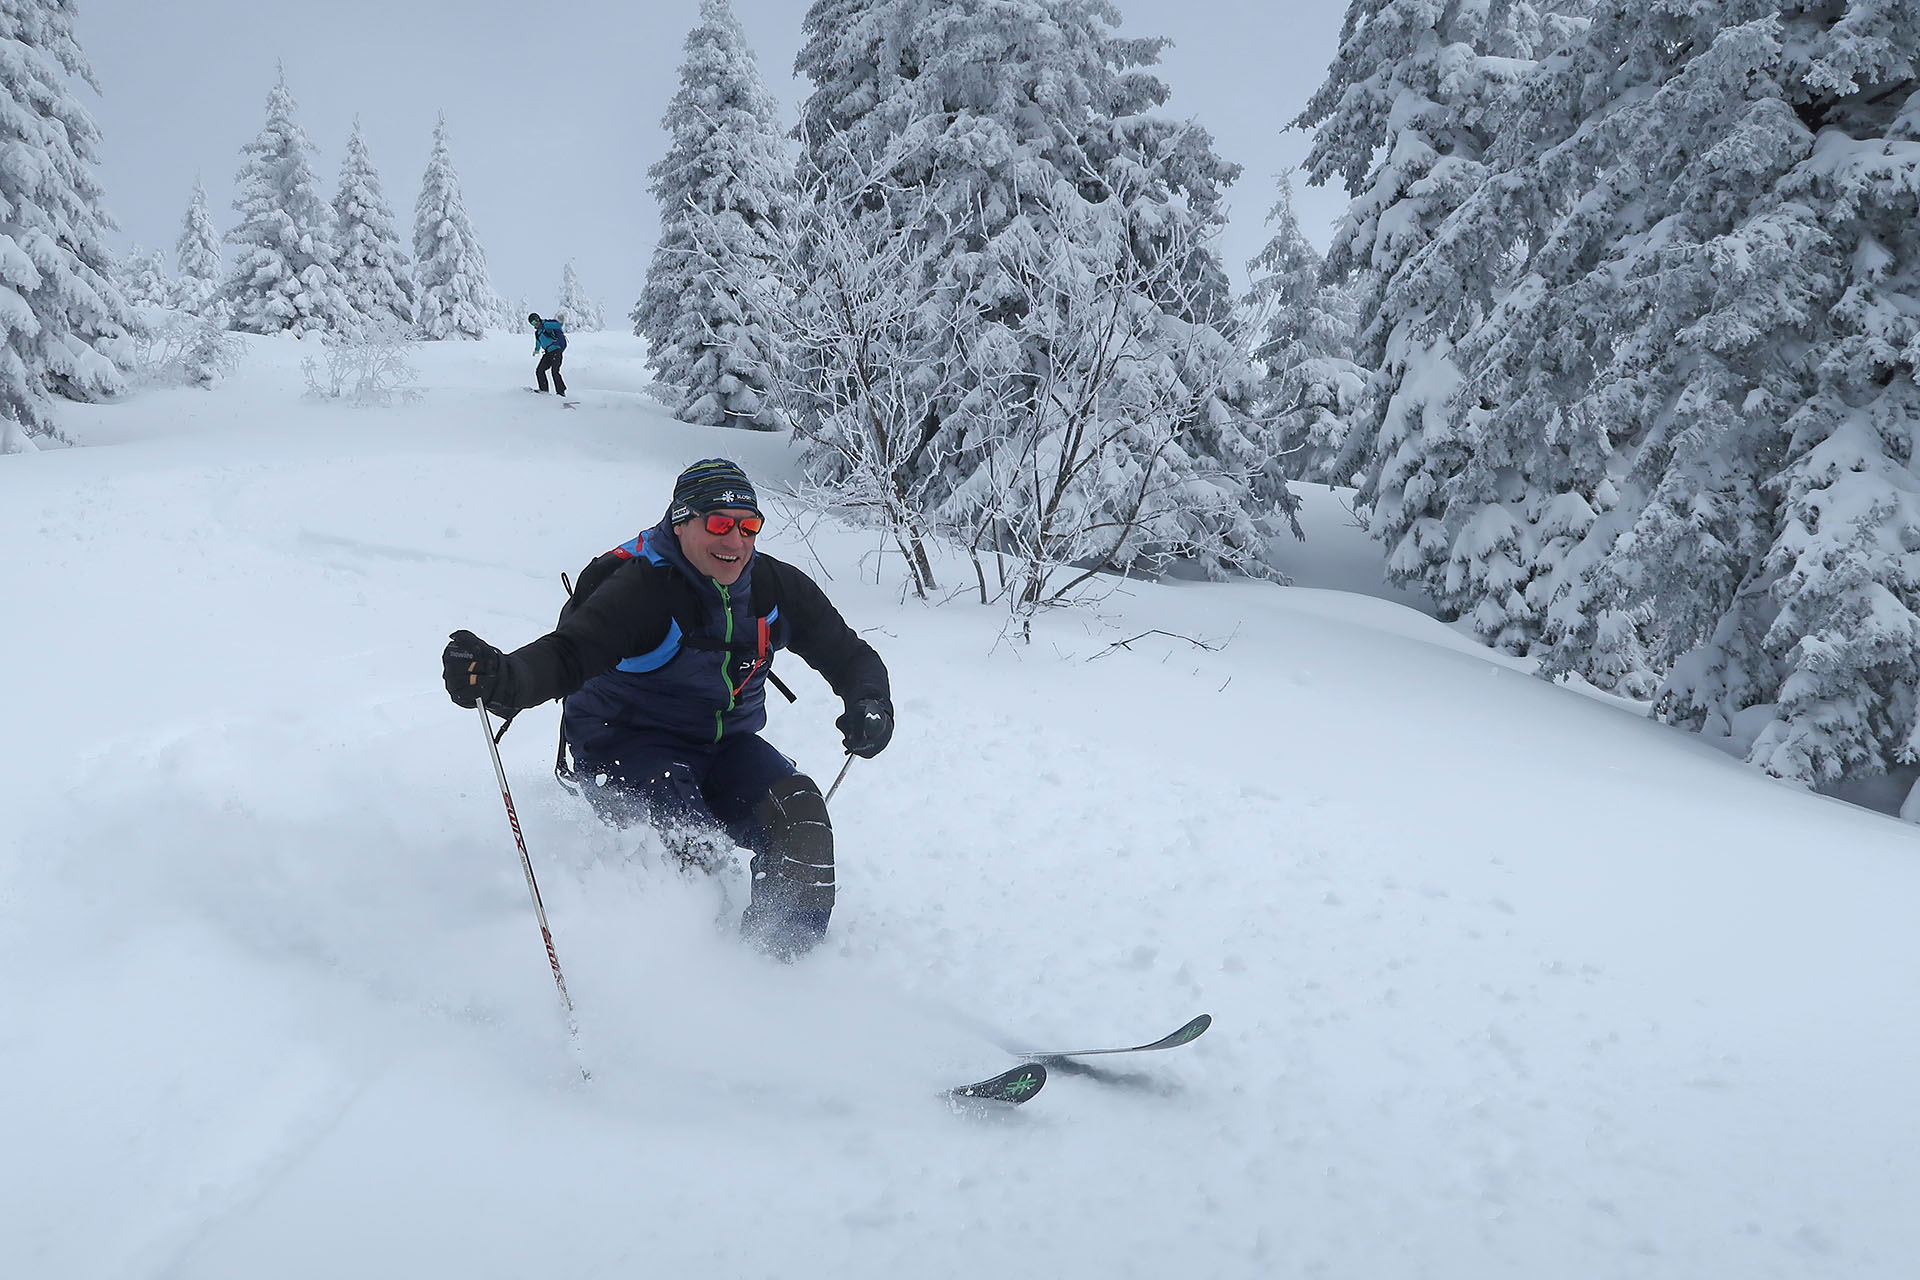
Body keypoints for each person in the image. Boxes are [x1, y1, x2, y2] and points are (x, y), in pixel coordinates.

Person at [441, 458, 893, 958]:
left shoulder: (772, 587)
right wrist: (503, 680)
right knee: (686, 842)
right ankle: (685, 987)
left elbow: (848, 653)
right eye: (719, 524)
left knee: (802, 818)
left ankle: (778, 973)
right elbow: (570, 654)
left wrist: (870, 699)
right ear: (681, 523)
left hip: (724, 747)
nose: (735, 542)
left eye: (749, 526)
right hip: (624, 742)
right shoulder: (644, 590)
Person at [529, 312, 568, 395]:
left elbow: (557, 325)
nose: (535, 323)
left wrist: (560, 321)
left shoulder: (546, 325)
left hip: (556, 351)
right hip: (548, 353)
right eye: (533, 323)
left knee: (555, 371)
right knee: (539, 370)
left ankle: (561, 392)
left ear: (539, 319)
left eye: (536, 321)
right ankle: (544, 390)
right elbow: (538, 342)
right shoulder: (537, 333)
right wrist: (536, 350)